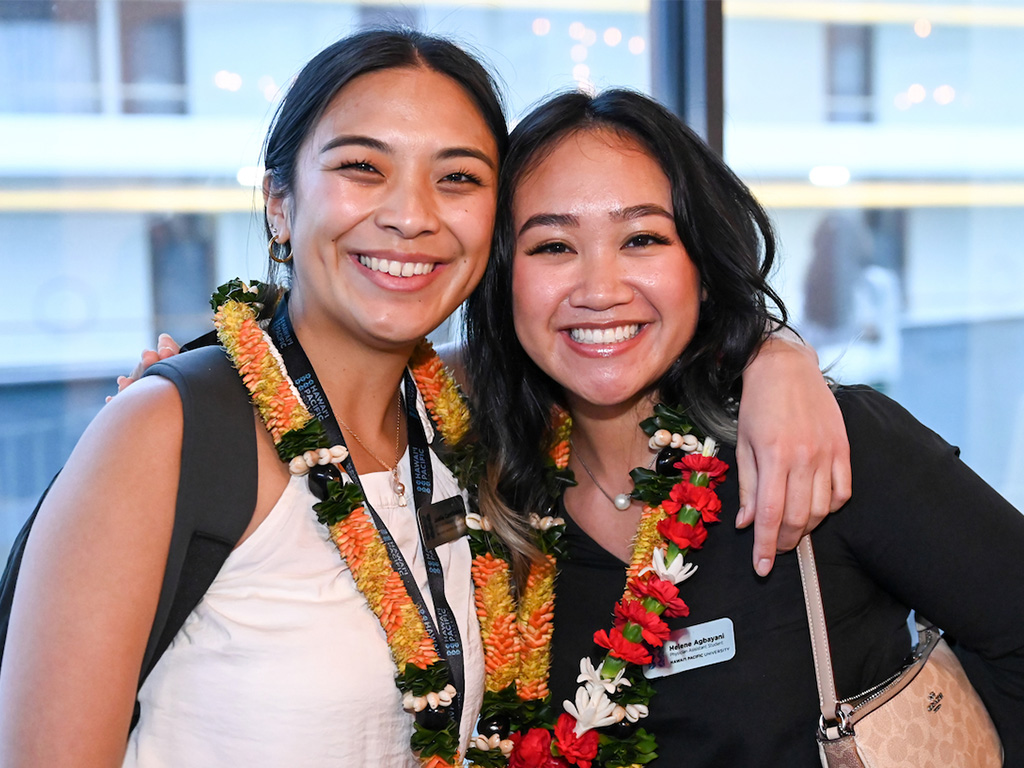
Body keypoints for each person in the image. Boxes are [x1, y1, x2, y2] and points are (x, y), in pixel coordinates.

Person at [0, 31, 849, 768]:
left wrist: (777, 356)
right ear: (280, 204)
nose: (411, 217)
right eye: (363, 168)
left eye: (458, 178)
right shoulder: (168, 434)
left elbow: (618, 339)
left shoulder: (466, 422)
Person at [464, 89, 1024, 767]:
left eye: (642, 238)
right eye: (553, 246)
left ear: (700, 268)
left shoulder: (824, 442)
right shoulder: (490, 500)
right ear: (503, 282)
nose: (599, 287)